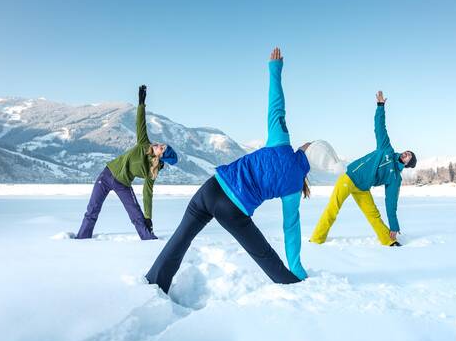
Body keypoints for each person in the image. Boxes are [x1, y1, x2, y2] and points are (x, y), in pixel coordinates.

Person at [146, 48, 319, 293]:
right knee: (263, 253)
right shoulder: (293, 187)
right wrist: (297, 266)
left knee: (181, 239)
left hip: (212, 187)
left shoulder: (281, 142)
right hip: (233, 210)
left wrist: (275, 69)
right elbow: (291, 228)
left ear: (306, 150)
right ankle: (293, 283)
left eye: (310, 144)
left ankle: (154, 283)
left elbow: (276, 107)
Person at [310, 91, 417, 247]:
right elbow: (380, 127)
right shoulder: (386, 149)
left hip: (363, 188)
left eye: (410, 157)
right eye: (408, 152)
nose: (407, 154)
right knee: (333, 209)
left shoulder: (395, 178)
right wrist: (380, 106)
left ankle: (389, 240)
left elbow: (391, 201)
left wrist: (394, 225)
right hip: (350, 177)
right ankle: (316, 239)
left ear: (407, 164)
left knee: (374, 215)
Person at [76, 85, 178, 240]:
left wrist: (148, 216)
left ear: (161, 157)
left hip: (123, 184)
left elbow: (147, 193)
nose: (158, 145)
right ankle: (81, 239)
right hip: (106, 175)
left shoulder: (152, 171)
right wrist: (141, 103)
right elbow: (140, 123)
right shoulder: (144, 144)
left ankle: (150, 241)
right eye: (161, 144)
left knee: (137, 216)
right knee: (92, 210)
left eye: (161, 148)